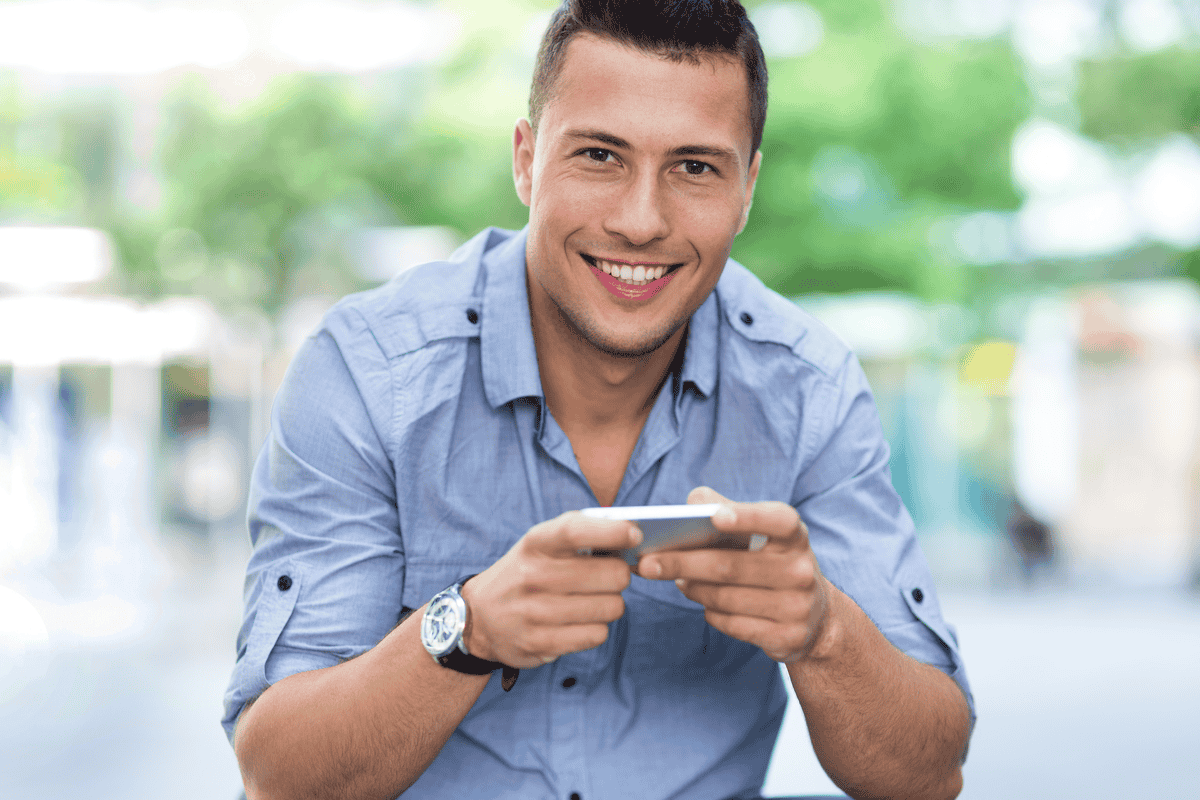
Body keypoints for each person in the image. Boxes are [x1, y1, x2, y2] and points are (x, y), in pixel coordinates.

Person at [223, 2, 974, 799]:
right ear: (525, 160)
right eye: (599, 155)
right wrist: (466, 629)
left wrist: (824, 631)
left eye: (695, 167)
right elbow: (279, 776)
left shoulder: (809, 391)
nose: (641, 222)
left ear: (748, 187)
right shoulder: (367, 376)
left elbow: (929, 774)